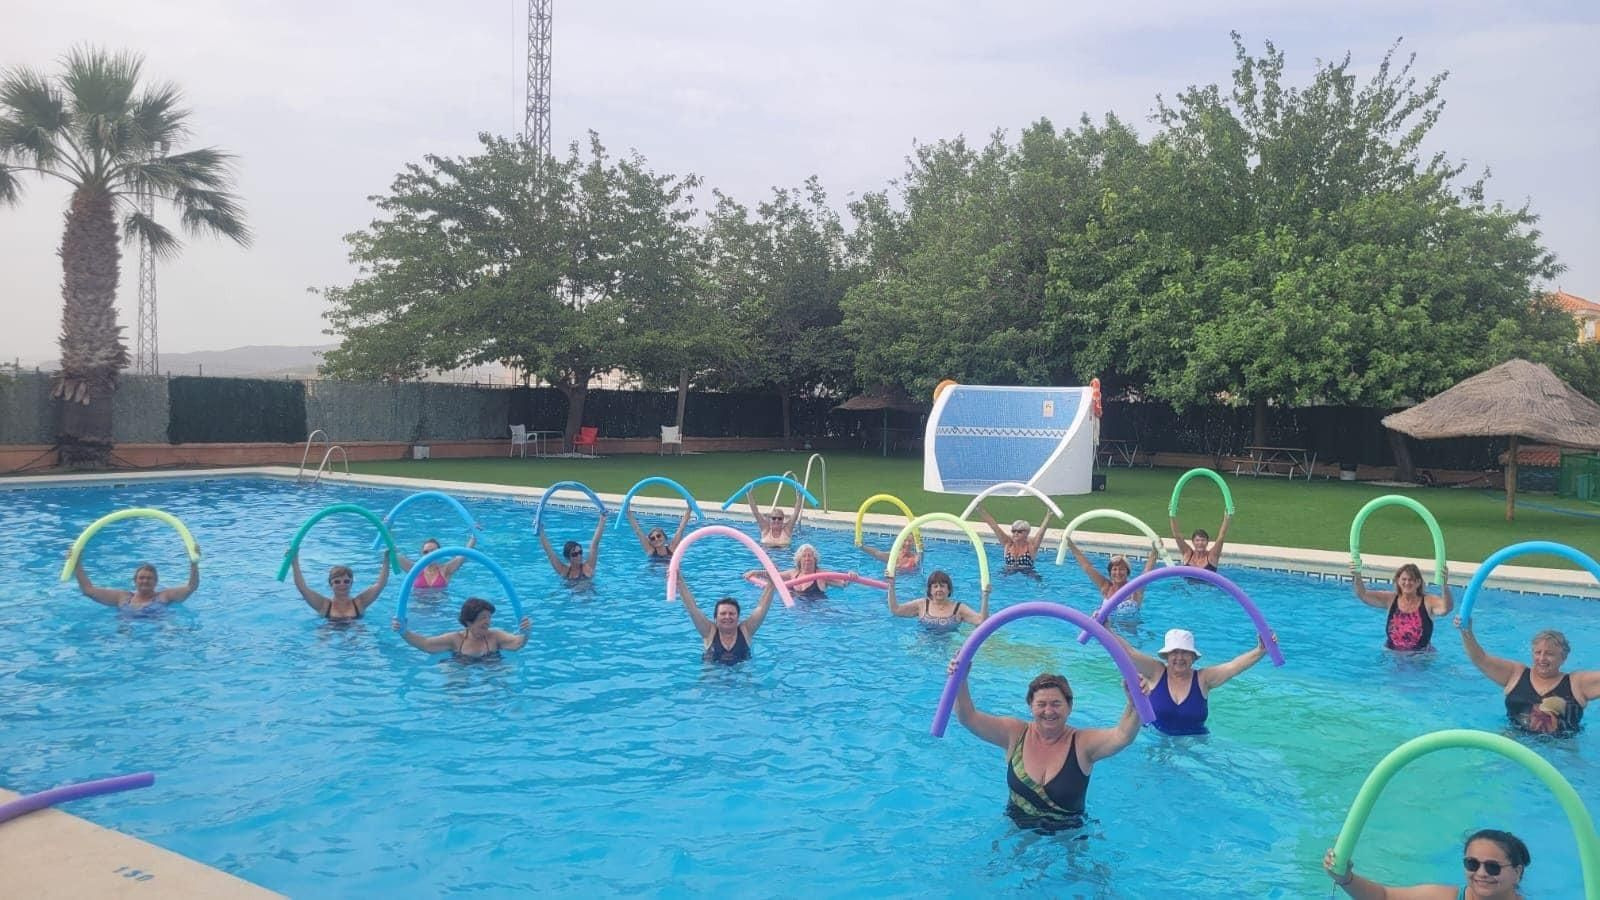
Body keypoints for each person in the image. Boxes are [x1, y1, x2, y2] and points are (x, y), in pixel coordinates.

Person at [945, 660, 1139, 831]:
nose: (1048, 711)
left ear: (1069, 707)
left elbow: (1122, 736)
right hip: (1016, 829)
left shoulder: (1082, 743)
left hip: (1069, 835)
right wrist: (960, 680)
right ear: (1031, 706)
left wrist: (1135, 703)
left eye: (1056, 704)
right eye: (1041, 704)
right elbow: (968, 717)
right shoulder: (1015, 733)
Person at [1108, 628, 1267, 735]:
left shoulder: (1203, 679)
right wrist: (1106, 629)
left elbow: (1233, 666)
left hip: (1194, 746)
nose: (1179, 658)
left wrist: (1260, 650)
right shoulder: (1156, 671)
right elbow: (1128, 652)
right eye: (1174, 652)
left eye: (1185, 653)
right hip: (1154, 740)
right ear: (1166, 656)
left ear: (1193, 657)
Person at [1459, 622, 1593, 735]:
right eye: (1538, 652)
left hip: (1560, 750)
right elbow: (1481, 659)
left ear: (1563, 657)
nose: (1542, 658)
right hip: (1516, 741)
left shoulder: (1577, 683)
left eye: (1549, 654)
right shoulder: (1516, 674)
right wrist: (1466, 632)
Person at [1323, 829, 1531, 899]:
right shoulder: (1441, 897)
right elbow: (1384, 897)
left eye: (1493, 867)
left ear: (1517, 872)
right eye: (1472, 864)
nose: (1481, 873)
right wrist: (1346, 879)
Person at [674, 574, 775, 665]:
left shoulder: (746, 630)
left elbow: (762, 608)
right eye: (723, 614)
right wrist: (680, 582)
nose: (727, 617)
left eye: (731, 613)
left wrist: (772, 583)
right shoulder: (709, 632)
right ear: (715, 618)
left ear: (738, 617)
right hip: (712, 681)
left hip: (742, 679)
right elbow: (692, 608)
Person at [1352, 562, 1453, 651]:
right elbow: (1362, 594)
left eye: (1411, 580)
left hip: (1420, 658)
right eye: (1404, 579)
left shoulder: (1428, 601)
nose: (1407, 583)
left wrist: (1444, 585)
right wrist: (1357, 575)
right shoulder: (1390, 599)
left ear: (1418, 582)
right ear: (1398, 581)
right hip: (1392, 655)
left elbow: (1446, 608)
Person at [392, 597, 530, 660]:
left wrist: (525, 632)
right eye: (483, 618)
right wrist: (404, 631)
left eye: (489, 617)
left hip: (491, 665)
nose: (488, 622)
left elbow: (518, 643)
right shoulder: (455, 639)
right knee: (452, 677)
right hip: (461, 664)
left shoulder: (495, 636)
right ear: (469, 621)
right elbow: (426, 644)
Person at [290, 551, 389, 621]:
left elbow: (380, 585)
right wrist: (295, 562)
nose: (342, 585)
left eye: (346, 581)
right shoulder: (324, 605)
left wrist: (386, 560)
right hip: (329, 637)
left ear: (351, 583)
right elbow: (302, 588)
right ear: (330, 584)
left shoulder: (359, 603)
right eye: (337, 582)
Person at [74, 557, 200, 611]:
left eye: (149, 578)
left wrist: (194, 562)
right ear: (135, 581)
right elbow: (87, 590)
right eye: (141, 578)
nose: (145, 581)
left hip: (160, 630)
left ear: (156, 582)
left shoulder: (164, 596)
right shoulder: (122, 597)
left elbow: (191, 587)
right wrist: (76, 562)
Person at [1066, 538, 1160, 611]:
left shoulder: (1135, 589)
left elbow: (1147, 571)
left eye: (1122, 569)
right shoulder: (1106, 586)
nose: (1118, 573)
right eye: (1114, 569)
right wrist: (1070, 545)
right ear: (1110, 572)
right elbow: (1087, 567)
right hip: (1106, 630)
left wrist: (1155, 550)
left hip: (1129, 633)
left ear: (1127, 571)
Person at [885, 569, 989, 631]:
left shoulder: (958, 608)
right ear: (930, 590)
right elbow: (896, 610)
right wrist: (891, 586)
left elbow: (982, 622)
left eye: (942, 586)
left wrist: (985, 595)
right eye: (935, 586)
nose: (939, 589)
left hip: (948, 650)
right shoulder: (922, 604)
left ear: (949, 589)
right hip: (922, 649)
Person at [975, 505, 1051, 577]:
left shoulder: (1031, 546)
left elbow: (1042, 530)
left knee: (1040, 585)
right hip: (1008, 571)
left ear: (1027, 533)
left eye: (1019, 531)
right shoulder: (1008, 544)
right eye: (1014, 531)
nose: (1016, 533)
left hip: (1028, 572)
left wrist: (1048, 515)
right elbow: (994, 526)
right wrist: (981, 511)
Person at [538, 513, 606, 581]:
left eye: (580, 552)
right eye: (575, 554)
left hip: (588, 592)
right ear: (568, 558)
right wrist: (541, 531)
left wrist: (602, 520)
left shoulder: (588, 567)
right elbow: (549, 553)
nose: (579, 556)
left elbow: (594, 544)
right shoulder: (564, 570)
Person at [399, 536, 476, 590]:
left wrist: (473, 537)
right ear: (422, 554)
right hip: (418, 609)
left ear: (440, 553)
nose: (429, 554)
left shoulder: (445, 569)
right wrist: (387, 529)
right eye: (426, 552)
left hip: (440, 609)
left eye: (433, 551)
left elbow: (463, 554)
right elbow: (394, 553)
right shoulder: (415, 569)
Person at [625, 508, 693, 561]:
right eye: (653, 538)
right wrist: (628, 512)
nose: (656, 539)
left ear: (664, 537)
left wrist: (689, 508)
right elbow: (638, 531)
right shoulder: (650, 551)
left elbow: (681, 529)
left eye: (658, 536)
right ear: (651, 542)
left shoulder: (672, 549)